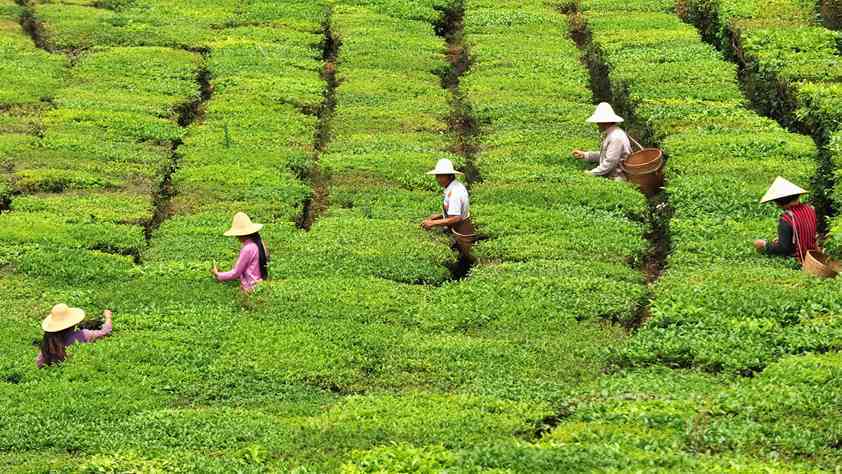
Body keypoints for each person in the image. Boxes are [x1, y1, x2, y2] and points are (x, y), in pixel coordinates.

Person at [421, 158, 476, 259]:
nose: (437, 179)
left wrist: (432, 223)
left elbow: (456, 218)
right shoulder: (454, 186)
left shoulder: (454, 193)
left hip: (461, 232)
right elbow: (453, 211)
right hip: (459, 229)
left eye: (440, 176)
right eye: (437, 176)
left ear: (450, 176)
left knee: (467, 257)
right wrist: (439, 216)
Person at [754, 177, 818, 263]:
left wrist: (765, 245)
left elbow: (784, 249)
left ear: (778, 202)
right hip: (814, 255)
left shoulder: (787, 218)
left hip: (800, 259)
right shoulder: (810, 209)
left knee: (759, 243)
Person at [36, 304, 113, 368]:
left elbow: (39, 363)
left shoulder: (49, 341)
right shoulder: (81, 335)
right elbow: (105, 332)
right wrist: (108, 317)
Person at [572, 102, 632, 181]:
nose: (597, 124)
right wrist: (585, 155)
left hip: (618, 178)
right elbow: (605, 155)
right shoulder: (611, 134)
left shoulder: (616, 137)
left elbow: (609, 162)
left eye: (598, 121)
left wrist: (590, 173)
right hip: (610, 176)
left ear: (605, 122)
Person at [213, 212, 269, 292]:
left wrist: (218, 275)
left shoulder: (248, 248)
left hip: (250, 288)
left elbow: (236, 273)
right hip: (260, 285)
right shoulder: (259, 243)